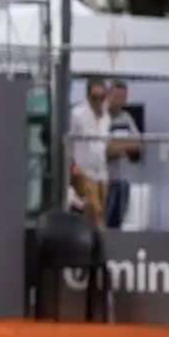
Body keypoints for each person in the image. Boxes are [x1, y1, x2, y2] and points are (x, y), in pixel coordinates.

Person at [69, 77, 111, 228]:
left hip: (102, 173)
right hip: (84, 171)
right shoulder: (77, 115)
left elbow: (104, 144)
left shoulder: (106, 117)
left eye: (102, 97)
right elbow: (68, 143)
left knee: (99, 212)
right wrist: (73, 170)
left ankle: (93, 241)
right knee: (95, 210)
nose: (99, 101)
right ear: (87, 96)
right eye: (95, 98)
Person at [104, 80, 141, 230]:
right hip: (105, 181)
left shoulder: (126, 118)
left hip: (123, 181)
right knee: (103, 224)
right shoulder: (102, 119)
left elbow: (139, 144)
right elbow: (105, 152)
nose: (121, 101)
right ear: (109, 95)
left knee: (117, 226)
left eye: (123, 97)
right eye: (117, 96)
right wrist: (124, 146)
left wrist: (117, 146)